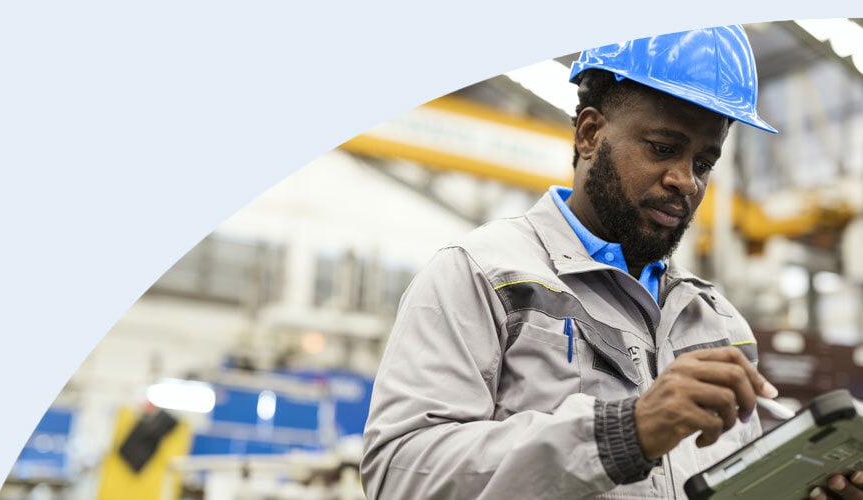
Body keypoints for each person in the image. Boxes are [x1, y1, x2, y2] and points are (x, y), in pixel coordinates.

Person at [360, 25, 863, 499]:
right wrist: (626, 432)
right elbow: (399, 473)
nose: (686, 181)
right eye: (664, 148)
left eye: (704, 163)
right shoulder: (480, 276)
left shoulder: (717, 322)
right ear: (589, 134)